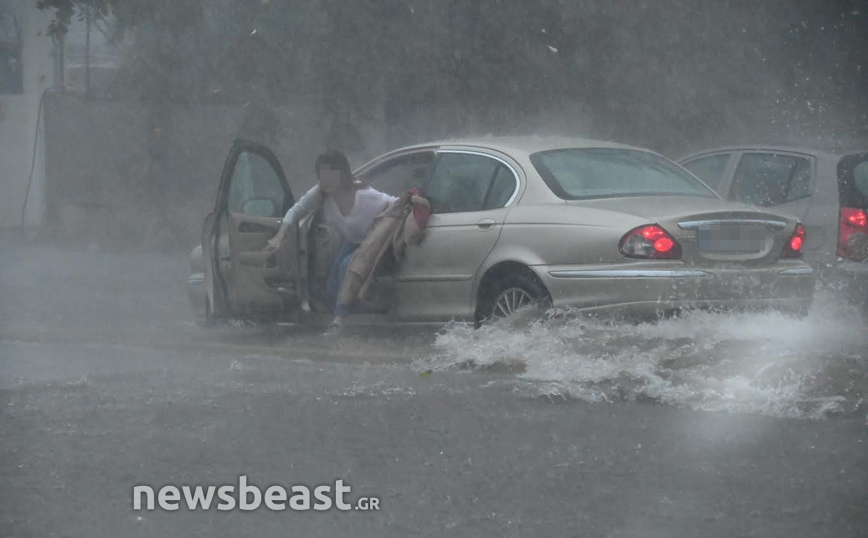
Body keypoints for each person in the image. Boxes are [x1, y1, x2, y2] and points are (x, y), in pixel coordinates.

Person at [265, 150, 397, 331]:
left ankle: (342, 322)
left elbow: (395, 203)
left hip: (373, 242)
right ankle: (354, 316)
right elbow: (295, 211)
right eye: (321, 174)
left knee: (346, 267)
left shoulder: (366, 196)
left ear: (343, 175)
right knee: (332, 286)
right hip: (351, 241)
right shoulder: (320, 193)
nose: (324, 179)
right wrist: (280, 236)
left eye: (329, 173)